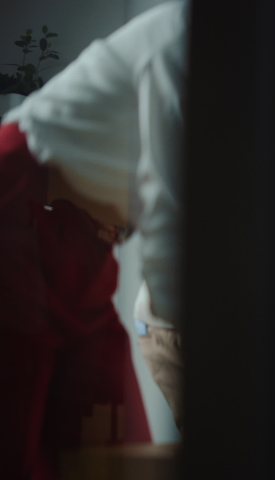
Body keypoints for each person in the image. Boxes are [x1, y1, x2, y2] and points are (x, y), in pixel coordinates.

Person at [0, 2, 186, 478]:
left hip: (87, 244)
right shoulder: (186, 38)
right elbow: (173, 224)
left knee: (117, 438)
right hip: (18, 208)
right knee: (18, 447)